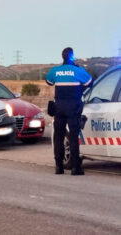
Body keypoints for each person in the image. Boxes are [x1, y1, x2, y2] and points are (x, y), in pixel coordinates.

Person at [46, 47, 92, 175]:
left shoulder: (55, 71)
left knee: (59, 137)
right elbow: (90, 82)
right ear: (72, 56)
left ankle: (59, 167)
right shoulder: (78, 71)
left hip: (59, 107)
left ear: (62, 57)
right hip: (73, 107)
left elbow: (49, 81)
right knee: (73, 137)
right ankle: (75, 168)